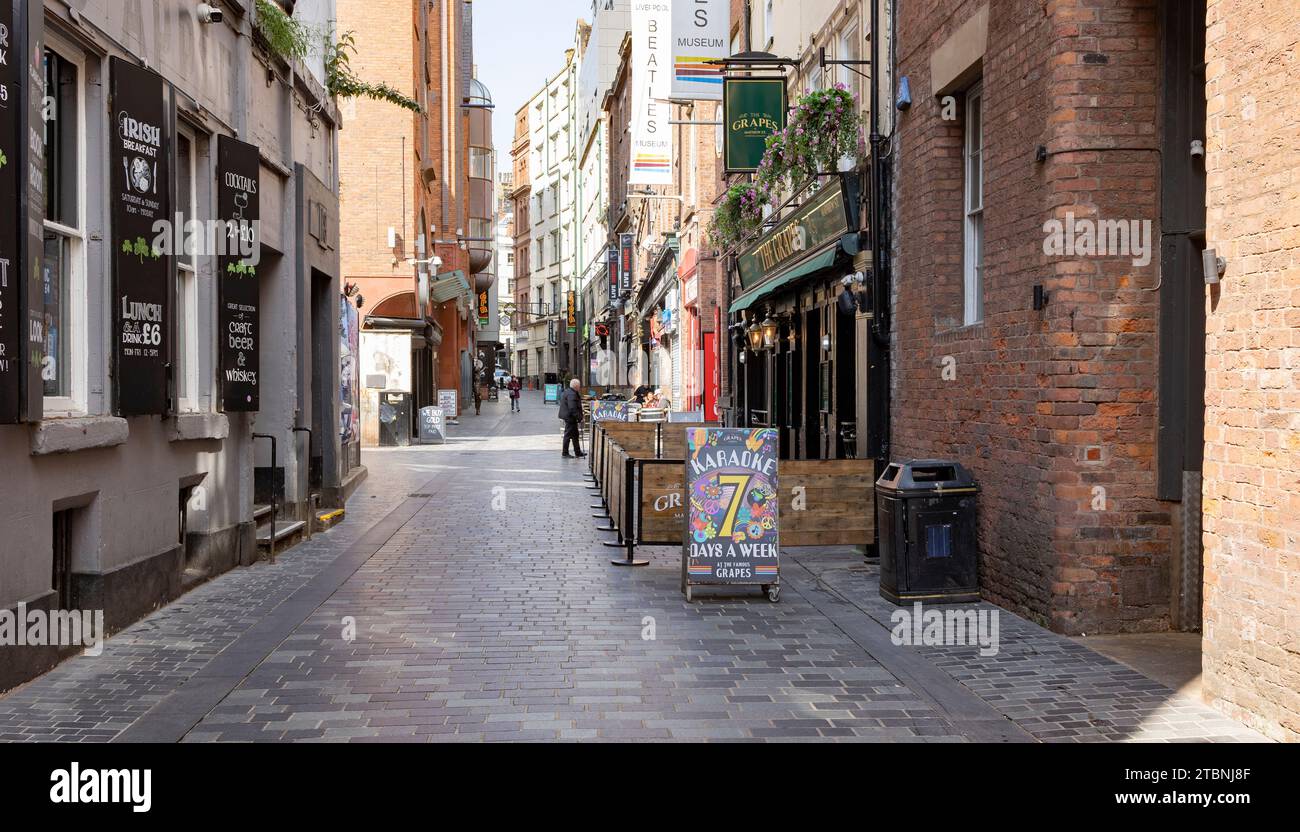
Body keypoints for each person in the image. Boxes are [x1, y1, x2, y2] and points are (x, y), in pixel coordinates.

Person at [558, 378, 585, 458]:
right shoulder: (572, 394)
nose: (580, 387)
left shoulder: (570, 391)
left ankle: (578, 452)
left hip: (570, 417)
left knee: (575, 435)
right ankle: (565, 453)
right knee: (568, 435)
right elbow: (572, 408)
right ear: (576, 386)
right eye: (579, 385)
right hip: (570, 417)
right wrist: (580, 418)